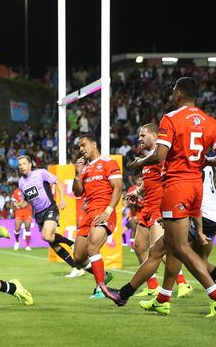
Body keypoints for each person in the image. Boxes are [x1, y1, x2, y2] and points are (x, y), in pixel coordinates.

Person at [123, 77, 216, 317]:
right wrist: (207, 160)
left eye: (174, 90)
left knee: (181, 247)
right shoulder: (210, 121)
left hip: (177, 185)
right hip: (196, 186)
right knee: (163, 247)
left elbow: (160, 155)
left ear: (179, 94)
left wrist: (138, 162)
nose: (172, 94)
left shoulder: (171, 118)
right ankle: (160, 298)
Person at [137, 164, 216, 315]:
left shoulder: (193, 165)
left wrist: (175, 217)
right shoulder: (203, 162)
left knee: (174, 248)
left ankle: (167, 295)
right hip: (212, 215)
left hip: (202, 216)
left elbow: (192, 194)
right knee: (199, 260)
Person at [124, 123, 192, 298]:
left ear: (155, 136)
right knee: (139, 246)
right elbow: (149, 181)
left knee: (159, 250)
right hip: (146, 207)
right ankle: (152, 285)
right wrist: (137, 191)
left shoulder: (162, 157)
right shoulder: (149, 158)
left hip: (159, 208)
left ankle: (183, 284)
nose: (139, 138)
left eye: (143, 135)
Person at [71, 134, 122, 299]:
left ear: (93, 144)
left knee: (92, 247)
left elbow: (118, 187)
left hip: (103, 211)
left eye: (83, 145)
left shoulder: (108, 163)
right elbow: (78, 192)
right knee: (78, 257)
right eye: (79, 146)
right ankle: (102, 275)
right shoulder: (84, 168)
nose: (81, 149)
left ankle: (101, 288)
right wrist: (77, 174)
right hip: (88, 213)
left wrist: (108, 211)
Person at [16, 156, 83, 277]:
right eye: (20, 164)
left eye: (24, 163)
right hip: (38, 215)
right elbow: (27, 201)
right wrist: (20, 205)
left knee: (46, 236)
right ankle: (77, 268)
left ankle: (71, 243)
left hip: (50, 208)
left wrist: (62, 198)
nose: (21, 166)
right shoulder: (21, 182)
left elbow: (59, 182)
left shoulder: (41, 173)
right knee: (53, 243)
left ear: (30, 164)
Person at [11, 185, 33, 251]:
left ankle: (27, 245)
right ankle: (17, 242)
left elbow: (25, 204)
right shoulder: (16, 191)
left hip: (27, 211)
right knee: (17, 228)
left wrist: (19, 205)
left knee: (27, 227)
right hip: (19, 212)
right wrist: (16, 205)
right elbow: (14, 202)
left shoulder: (28, 191)